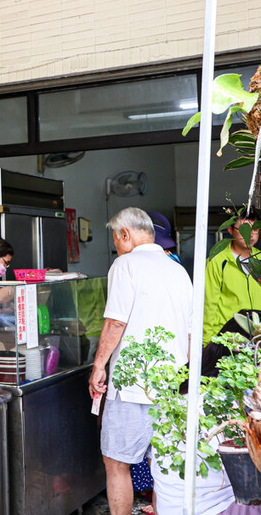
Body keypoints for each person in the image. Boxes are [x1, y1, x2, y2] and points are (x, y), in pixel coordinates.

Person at [88, 207, 192, 515]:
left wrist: (98, 366)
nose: (116, 246)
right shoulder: (178, 269)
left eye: (116, 239)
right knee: (164, 463)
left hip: (133, 385)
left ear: (124, 234)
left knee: (116, 460)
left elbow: (115, 322)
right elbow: (189, 334)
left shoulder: (126, 264)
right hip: (174, 386)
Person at [203, 207, 261, 345]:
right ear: (230, 230)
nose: (250, 235)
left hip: (258, 340)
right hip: (228, 340)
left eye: (255, 229)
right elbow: (208, 305)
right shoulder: (217, 261)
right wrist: (206, 344)